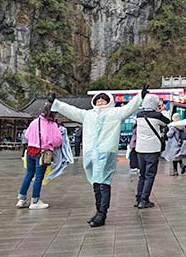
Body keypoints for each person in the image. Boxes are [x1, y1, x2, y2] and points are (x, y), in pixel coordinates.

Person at [49, 88, 145, 227]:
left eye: (103, 99)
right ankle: (98, 211)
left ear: (108, 102)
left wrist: (140, 96)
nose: (100, 101)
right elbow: (72, 111)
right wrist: (56, 103)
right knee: (95, 182)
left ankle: (102, 213)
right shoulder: (88, 114)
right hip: (90, 152)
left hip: (105, 151)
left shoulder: (115, 113)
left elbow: (129, 108)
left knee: (103, 182)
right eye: (98, 99)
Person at [17, 104, 63, 209]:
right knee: (38, 177)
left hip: (30, 151)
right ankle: (35, 201)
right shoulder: (51, 125)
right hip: (42, 153)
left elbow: (27, 135)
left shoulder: (35, 122)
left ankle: (21, 199)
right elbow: (57, 141)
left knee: (29, 174)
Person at [135, 94, 170, 209]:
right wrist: (163, 111)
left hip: (140, 149)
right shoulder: (157, 116)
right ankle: (144, 200)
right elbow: (167, 122)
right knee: (150, 175)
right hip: (152, 149)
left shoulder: (138, 115)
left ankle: (139, 198)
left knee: (142, 175)